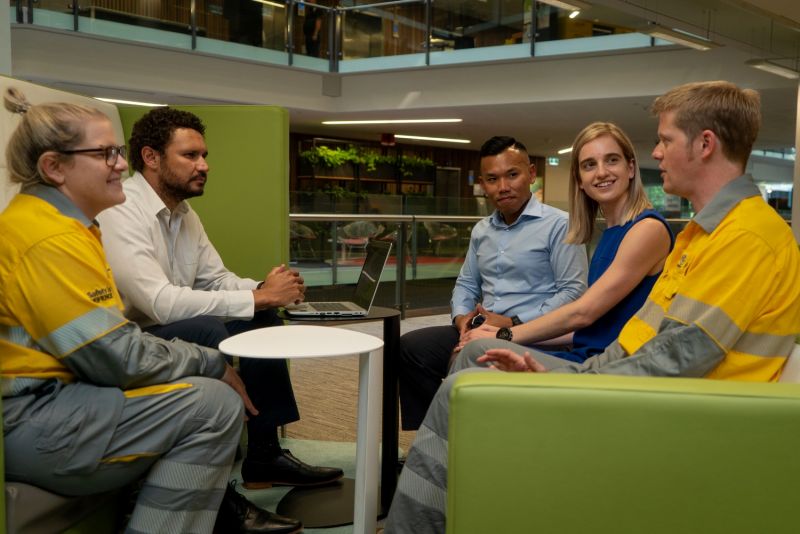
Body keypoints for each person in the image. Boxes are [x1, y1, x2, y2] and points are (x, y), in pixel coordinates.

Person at [384, 81, 800, 534]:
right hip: (642, 392)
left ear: (704, 145)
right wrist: (571, 374)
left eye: (664, 140)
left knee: (463, 386)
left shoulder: (746, 237)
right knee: (468, 379)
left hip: (684, 416)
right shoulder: (701, 236)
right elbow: (641, 337)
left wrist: (575, 379)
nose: (655, 154)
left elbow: (679, 358)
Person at [0, 88, 301, 534]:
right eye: (106, 154)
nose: (121, 165)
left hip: (63, 391)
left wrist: (262, 292)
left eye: (117, 153)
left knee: (226, 353)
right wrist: (211, 361)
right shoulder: (51, 238)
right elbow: (117, 350)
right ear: (54, 167)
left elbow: (208, 282)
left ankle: (258, 457)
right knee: (213, 399)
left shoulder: (63, 226)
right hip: (32, 416)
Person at [97, 107, 343, 492]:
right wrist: (258, 297)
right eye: (190, 155)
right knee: (210, 326)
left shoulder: (184, 213)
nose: (204, 165)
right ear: (150, 158)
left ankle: (264, 454)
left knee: (259, 320)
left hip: (171, 323)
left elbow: (216, 278)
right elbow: (159, 303)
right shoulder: (122, 210)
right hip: (133, 337)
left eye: (204, 155)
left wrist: (266, 288)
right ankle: (215, 480)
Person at [398, 135, 588, 430]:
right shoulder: (481, 230)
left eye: (512, 175)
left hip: (533, 334)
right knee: (411, 348)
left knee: (473, 362)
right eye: (492, 179)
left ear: (531, 175)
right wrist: (461, 319)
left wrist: (512, 322)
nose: (503, 187)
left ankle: (458, 440)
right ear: (483, 184)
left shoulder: (561, 224)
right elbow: (466, 284)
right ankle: (435, 439)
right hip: (478, 326)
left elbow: (572, 293)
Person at [455, 122, 674, 363]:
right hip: (586, 354)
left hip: (609, 365)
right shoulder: (611, 232)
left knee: (474, 355)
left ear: (631, 168)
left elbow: (583, 313)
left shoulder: (647, 229)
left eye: (612, 160)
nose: (601, 172)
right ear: (580, 179)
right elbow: (584, 328)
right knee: (474, 352)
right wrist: (496, 334)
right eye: (589, 165)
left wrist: (505, 332)